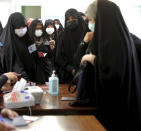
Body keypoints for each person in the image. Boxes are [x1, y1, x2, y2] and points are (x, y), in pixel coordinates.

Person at [81, 0, 141, 130]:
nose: (90, 24)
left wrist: (93, 59)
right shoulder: (121, 37)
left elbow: (112, 74)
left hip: (117, 110)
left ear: (102, 19)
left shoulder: (114, 41)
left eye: (92, 20)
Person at [0, 12, 37, 82]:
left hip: (31, 77)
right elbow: (12, 63)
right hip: (17, 80)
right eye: (19, 27)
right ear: (13, 26)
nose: (22, 29)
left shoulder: (27, 38)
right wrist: (24, 78)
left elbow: (34, 53)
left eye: (24, 26)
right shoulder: (7, 42)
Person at [55, 8, 88, 83]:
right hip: (67, 75)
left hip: (85, 73)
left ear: (78, 18)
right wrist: (70, 68)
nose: (71, 21)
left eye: (73, 18)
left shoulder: (86, 34)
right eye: (68, 19)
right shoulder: (62, 35)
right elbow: (58, 57)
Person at [29, 19, 53, 84]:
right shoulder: (29, 40)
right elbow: (31, 54)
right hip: (34, 69)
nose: (39, 30)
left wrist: (50, 49)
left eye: (40, 28)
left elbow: (49, 54)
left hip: (46, 69)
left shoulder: (45, 39)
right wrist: (43, 54)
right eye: (37, 29)